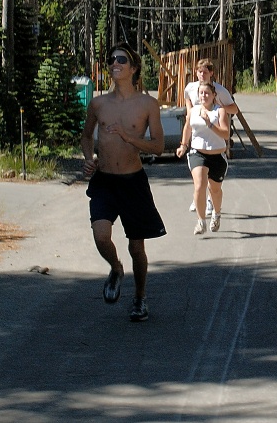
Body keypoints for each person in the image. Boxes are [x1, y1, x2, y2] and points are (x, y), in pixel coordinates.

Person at [80, 42, 166, 322]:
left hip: (133, 182)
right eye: (111, 59)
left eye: (121, 59)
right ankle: (116, 269)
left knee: (136, 247)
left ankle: (140, 298)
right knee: (101, 236)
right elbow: (86, 136)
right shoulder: (98, 103)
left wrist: (130, 139)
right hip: (104, 180)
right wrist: (89, 157)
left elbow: (158, 147)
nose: (114, 63)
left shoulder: (147, 104)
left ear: (134, 67)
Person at [183, 58, 239, 215]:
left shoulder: (219, 90)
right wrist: (189, 113)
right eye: (199, 71)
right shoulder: (191, 88)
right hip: (198, 135)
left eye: (205, 72)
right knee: (199, 175)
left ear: (211, 73)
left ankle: (209, 201)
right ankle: (199, 199)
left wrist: (219, 107)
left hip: (215, 135)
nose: (202, 74)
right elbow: (187, 99)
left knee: (213, 180)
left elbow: (234, 109)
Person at [176, 82, 230, 235]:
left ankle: (216, 214)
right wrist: (183, 145)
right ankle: (201, 221)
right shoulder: (194, 111)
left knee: (215, 190)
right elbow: (188, 127)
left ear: (214, 95)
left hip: (217, 156)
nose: (203, 96)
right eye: (201, 93)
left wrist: (209, 123)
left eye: (207, 93)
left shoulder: (220, 112)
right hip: (197, 153)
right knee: (200, 185)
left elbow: (226, 134)